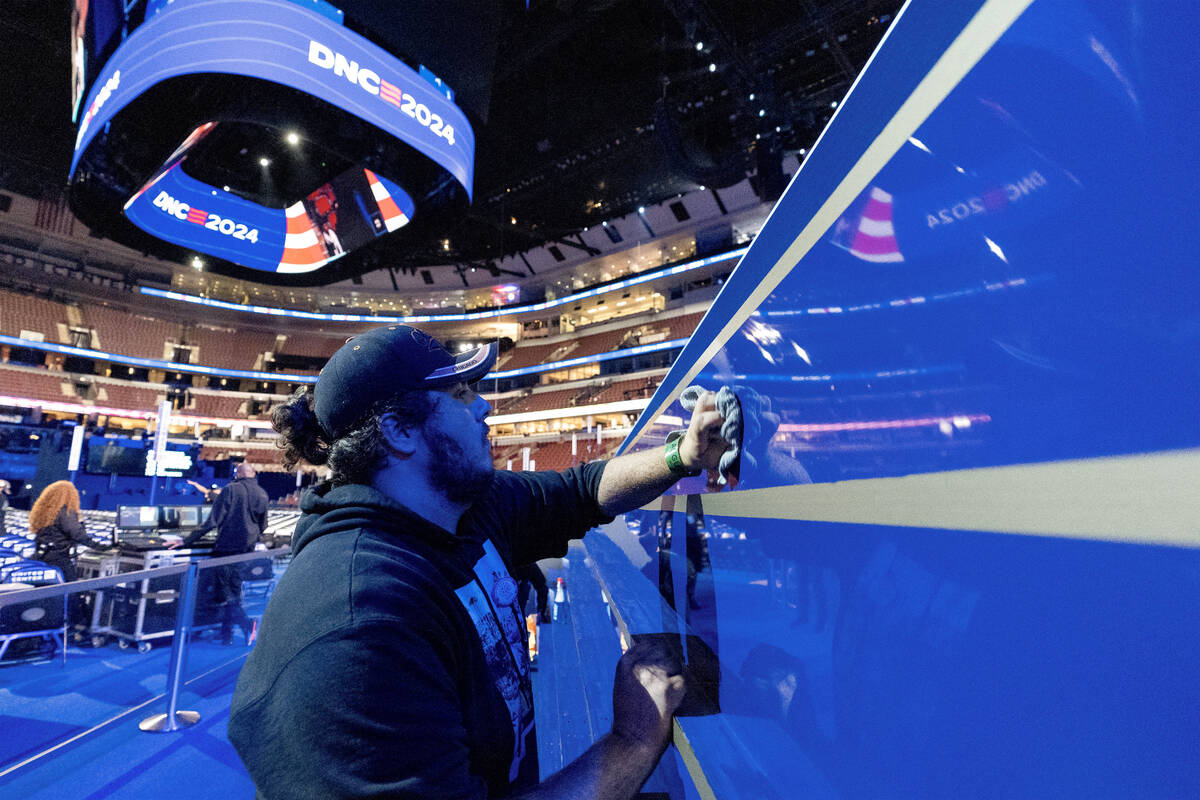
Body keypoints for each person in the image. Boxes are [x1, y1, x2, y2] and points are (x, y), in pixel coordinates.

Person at [228, 324, 730, 799]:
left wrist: (681, 455)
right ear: (400, 430)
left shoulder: (461, 506)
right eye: (461, 395)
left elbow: (580, 491)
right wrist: (634, 742)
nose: (485, 406)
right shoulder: (359, 625)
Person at [173, 462, 268, 645]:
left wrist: (185, 541)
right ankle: (227, 635)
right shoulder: (263, 494)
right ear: (253, 474)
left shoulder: (231, 490)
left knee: (225, 593)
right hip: (247, 550)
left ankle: (248, 624)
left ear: (237, 474)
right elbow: (263, 526)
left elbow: (212, 522)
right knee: (233, 590)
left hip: (227, 550)